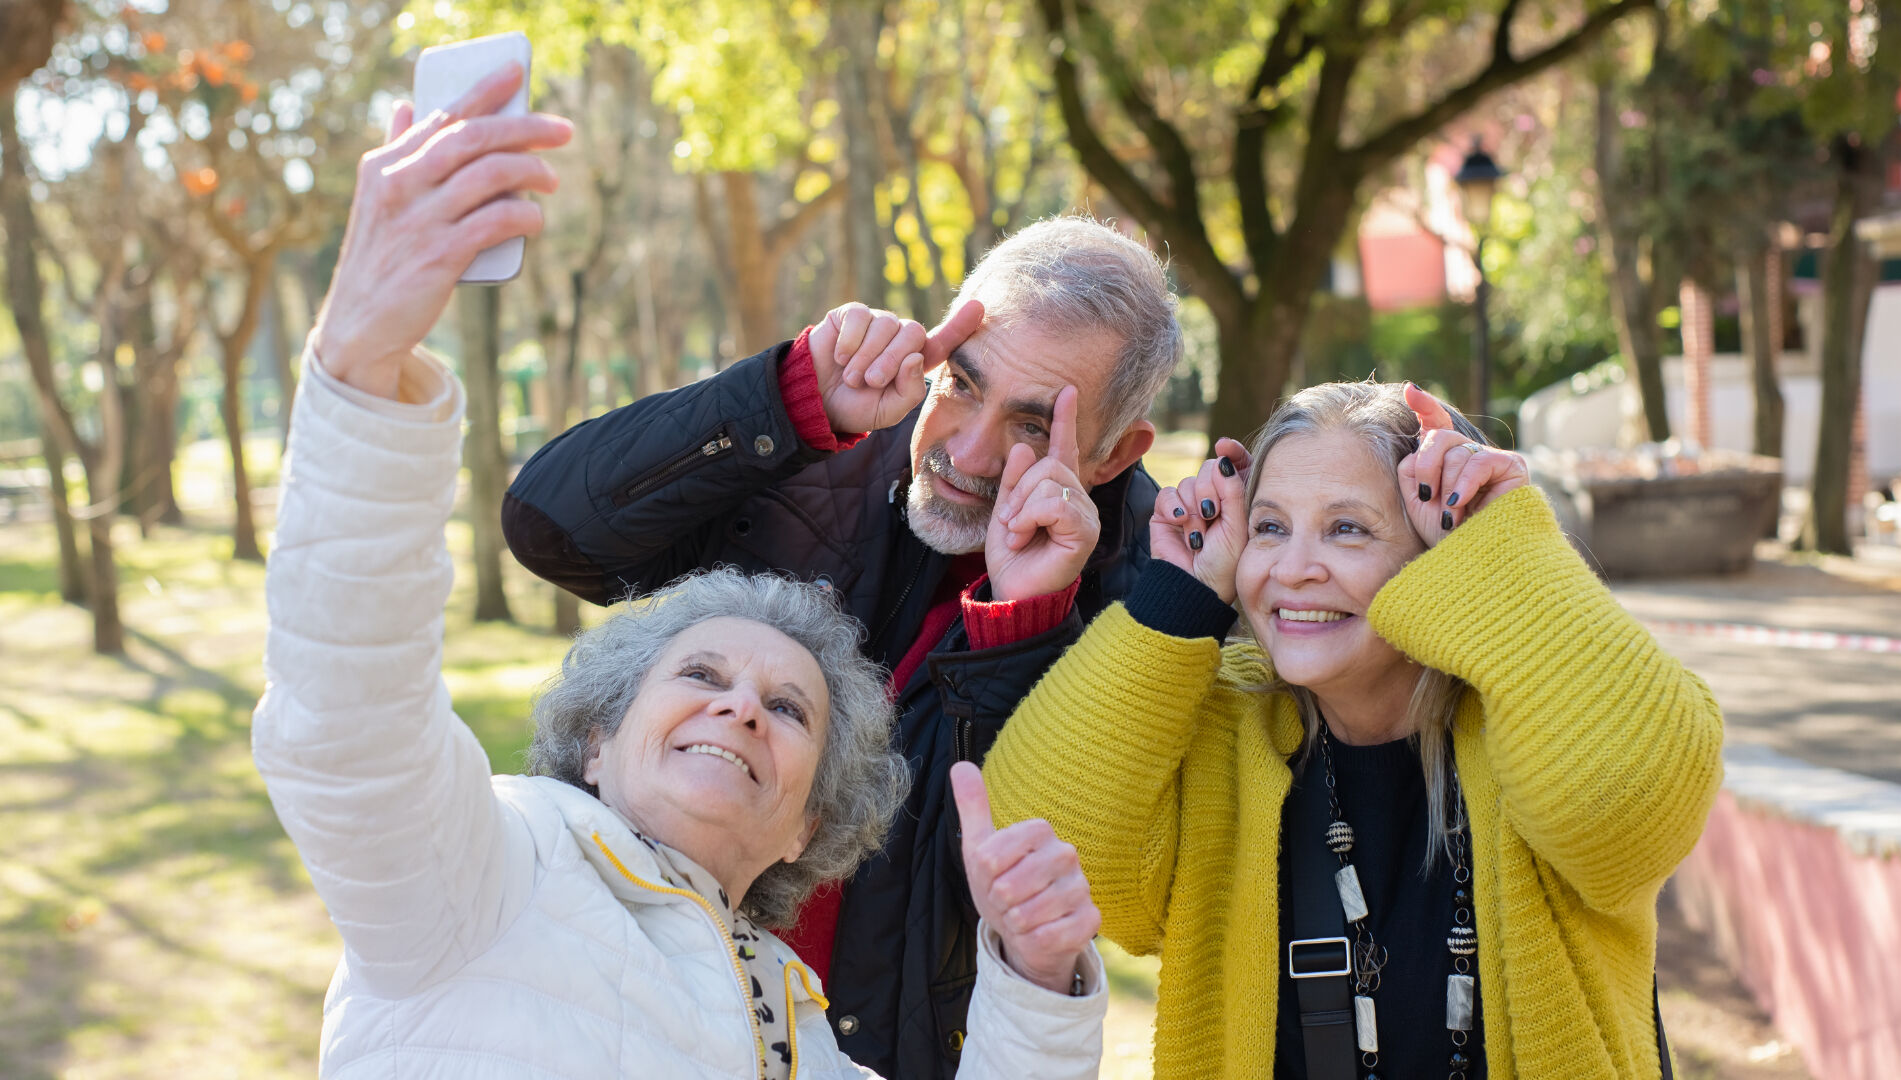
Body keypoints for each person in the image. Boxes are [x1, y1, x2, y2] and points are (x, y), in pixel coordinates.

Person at [254, 62, 1109, 1079]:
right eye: (701, 674)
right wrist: (360, 364)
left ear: (807, 827)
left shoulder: (797, 1035)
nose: (741, 708)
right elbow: (345, 721)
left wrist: (1037, 981)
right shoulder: (487, 877)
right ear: (596, 742)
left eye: (788, 710)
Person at [502, 162, 1180, 1076]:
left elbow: (1017, 871)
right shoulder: (821, 441)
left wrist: (1021, 622)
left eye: (1031, 426)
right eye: (962, 382)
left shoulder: (1151, 596)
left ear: (1116, 454)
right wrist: (786, 397)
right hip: (642, 1015)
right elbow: (551, 530)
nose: (968, 450)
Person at [983, 380, 1725, 1079]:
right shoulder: (1221, 729)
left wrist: (1507, 547)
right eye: (1270, 527)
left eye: (1346, 529)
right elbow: (1039, 836)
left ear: (1441, 551)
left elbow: (1629, 806)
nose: (1294, 568)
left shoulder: (1538, 719)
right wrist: (1177, 597)